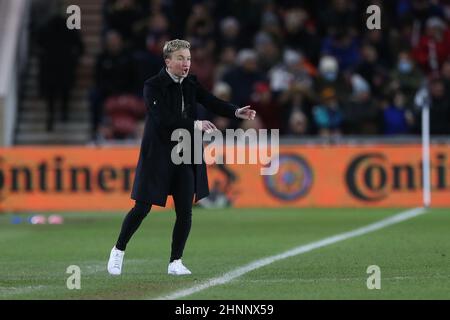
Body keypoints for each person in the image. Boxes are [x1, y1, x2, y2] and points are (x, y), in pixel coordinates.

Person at [107, 39, 256, 276]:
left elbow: (211, 101)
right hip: (159, 155)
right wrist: (195, 124)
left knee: (185, 210)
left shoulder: (190, 83)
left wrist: (235, 111)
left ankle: (175, 261)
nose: (186, 63)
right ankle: (118, 250)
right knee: (142, 207)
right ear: (168, 61)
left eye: (188, 58)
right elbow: (163, 119)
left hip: (186, 152)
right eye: (180, 58)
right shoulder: (153, 86)